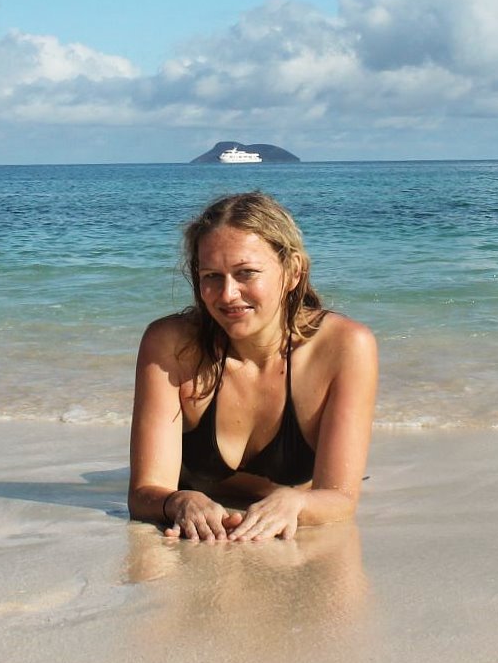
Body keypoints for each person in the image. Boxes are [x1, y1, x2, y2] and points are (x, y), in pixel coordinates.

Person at [128, 191, 379, 542]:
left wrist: (296, 504)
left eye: (246, 273)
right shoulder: (171, 344)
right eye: (212, 276)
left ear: (292, 272)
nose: (227, 294)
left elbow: (340, 498)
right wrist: (179, 501)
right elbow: (144, 493)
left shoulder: (344, 347)